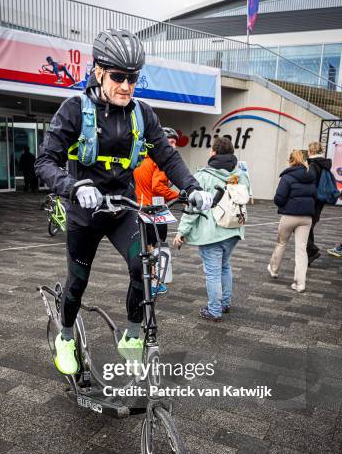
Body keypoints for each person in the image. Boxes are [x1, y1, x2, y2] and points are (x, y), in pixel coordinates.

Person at [35, 28, 213, 375]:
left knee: (143, 268)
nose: (126, 85)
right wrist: (72, 187)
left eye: (132, 77)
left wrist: (192, 188)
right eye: (118, 76)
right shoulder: (74, 110)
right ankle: (66, 337)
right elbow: (44, 163)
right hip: (85, 213)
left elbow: (167, 157)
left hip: (123, 211)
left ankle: (132, 336)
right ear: (99, 71)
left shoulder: (142, 114)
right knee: (78, 281)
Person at [173, 136, 251, 321]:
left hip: (211, 233)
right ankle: (225, 303)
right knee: (225, 266)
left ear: (213, 152)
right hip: (234, 229)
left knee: (213, 272)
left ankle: (214, 310)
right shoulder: (241, 174)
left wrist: (181, 232)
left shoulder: (202, 176)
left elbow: (192, 209)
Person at [133, 126, 180, 295]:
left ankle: (145, 281)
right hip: (155, 210)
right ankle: (153, 284)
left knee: (145, 247)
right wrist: (178, 195)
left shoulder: (141, 157)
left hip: (138, 208)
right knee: (156, 248)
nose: (173, 146)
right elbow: (158, 186)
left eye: (175, 143)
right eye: (171, 142)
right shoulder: (160, 161)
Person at [268, 149, 316, 293]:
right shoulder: (312, 176)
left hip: (289, 216)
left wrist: (285, 205)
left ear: (291, 160)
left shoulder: (287, 177)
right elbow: (314, 195)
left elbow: (279, 198)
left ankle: (274, 270)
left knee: (281, 243)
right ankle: (300, 283)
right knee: (301, 250)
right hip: (307, 217)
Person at [306, 141, 332, 265]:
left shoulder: (312, 164)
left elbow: (310, 182)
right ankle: (309, 254)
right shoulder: (324, 164)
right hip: (320, 201)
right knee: (308, 226)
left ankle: (312, 251)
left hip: (311, 200)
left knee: (304, 227)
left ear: (311, 151)